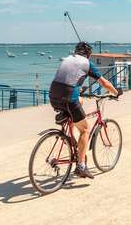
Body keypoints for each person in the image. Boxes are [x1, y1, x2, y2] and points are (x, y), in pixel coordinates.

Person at [49, 41, 120, 179]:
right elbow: (104, 83)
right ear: (89, 54)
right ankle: (81, 166)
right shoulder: (88, 64)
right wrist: (116, 92)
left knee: (79, 100)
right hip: (69, 97)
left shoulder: (68, 59)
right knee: (85, 129)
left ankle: (69, 127)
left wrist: (78, 89)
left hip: (53, 95)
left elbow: (67, 78)